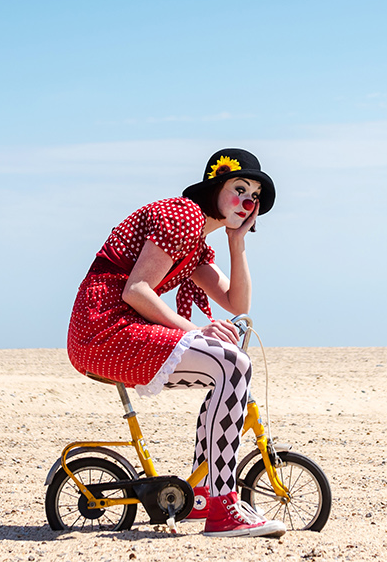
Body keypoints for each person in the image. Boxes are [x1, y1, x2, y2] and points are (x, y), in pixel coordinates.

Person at [66, 149, 284, 538]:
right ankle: (223, 507)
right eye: (240, 189)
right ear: (215, 188)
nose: (249, 201)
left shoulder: (195, 242)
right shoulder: (182, 217)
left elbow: (238, 303)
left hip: (111, 327)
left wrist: (238, 242)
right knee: (232, 364)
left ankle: (203, 496)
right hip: (105, 326)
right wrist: (194, 332)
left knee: (228, 365)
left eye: (256, 196)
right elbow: (136, 291)